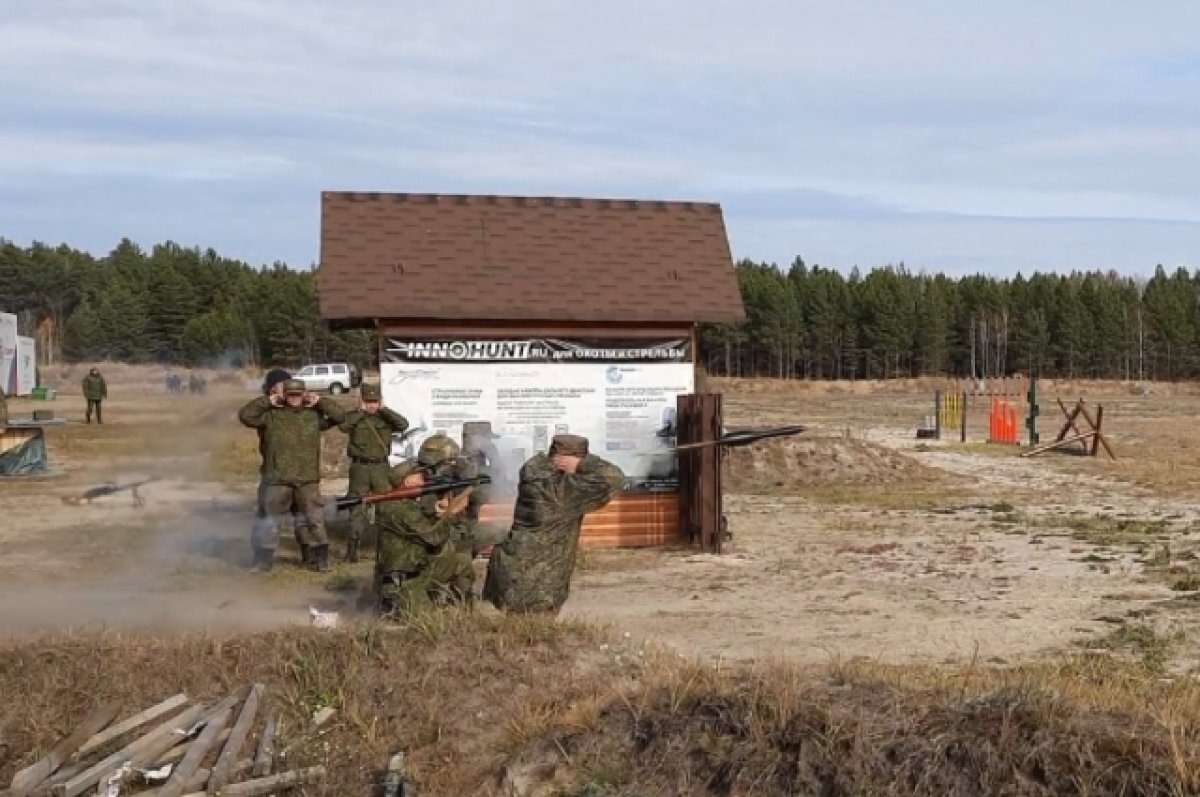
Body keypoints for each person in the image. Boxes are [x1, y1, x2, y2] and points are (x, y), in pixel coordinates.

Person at [483, 434, 624, 614]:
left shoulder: (537, 477)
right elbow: (615, 478)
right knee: (531, 637)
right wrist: (582, 465)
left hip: (514, 572)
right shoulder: (558, 491)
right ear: (564, 461)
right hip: (535, 585)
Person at [238, 378, 346, 573]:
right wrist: (268, 401)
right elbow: (245, 416)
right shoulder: (271, 416)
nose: (294, 399)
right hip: (278, 479)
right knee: (270, 521)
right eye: (290, 395)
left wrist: (320, 401)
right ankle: (264, 561)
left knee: (314, 520)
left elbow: (339, 416)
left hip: (307, 480)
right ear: (284, 395)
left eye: (298, 395)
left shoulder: (313, 416)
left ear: (304, 395)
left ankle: (319, 560)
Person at [375, 435, 477, 615]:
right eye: (421, 475)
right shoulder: (400, 508)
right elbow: (434, 537)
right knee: (426, 620)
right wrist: (450, 513)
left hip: (420, 568)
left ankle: (462, 609)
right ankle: (393, 606)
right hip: (404, 582)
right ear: (407, 481)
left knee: (461, 562)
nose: (426, 478)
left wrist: (439, 510)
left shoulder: (407, 502)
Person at [338, 382, 409, 563]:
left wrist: (384, 410)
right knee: (356, 507)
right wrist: (360, 412)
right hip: (360, 468)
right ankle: (352, 551)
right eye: (368, 401)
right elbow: (343, 426)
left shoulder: (385, 418)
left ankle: (385, 549)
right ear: (362, 401)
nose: (372, 405)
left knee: (385, 507)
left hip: (380, 468)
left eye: (375, 401)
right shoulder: (355, 417)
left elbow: (403, 425)